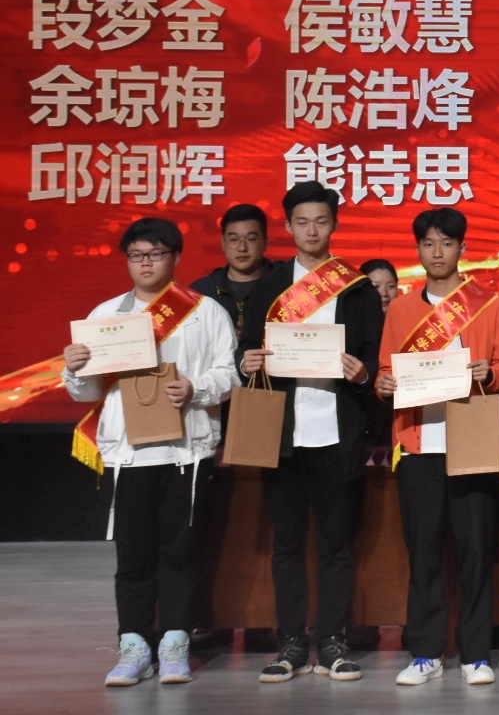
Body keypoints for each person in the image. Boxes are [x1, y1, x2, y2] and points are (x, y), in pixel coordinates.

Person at [61, 217, 236, 687]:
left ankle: (175, 643)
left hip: (186, 452)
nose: (145, 263)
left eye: (155, 254)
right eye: (136, 255)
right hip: (129, 454)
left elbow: (229, 375)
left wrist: (195, 387)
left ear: (175, 257)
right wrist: (75, 369)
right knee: (133, 556)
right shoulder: (106, 316)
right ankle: (134, 645)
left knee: (180, 553)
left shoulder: (204, 312)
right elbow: (87, 392)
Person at [237, 181, 384, 684]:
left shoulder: (356, 288)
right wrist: (246, 361)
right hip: (283, 433)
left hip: (337, 432)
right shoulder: (270, 285)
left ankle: (333, 640)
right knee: (287, 544)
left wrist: (362, 373)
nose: (312, 230)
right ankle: (291, 641)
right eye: (302, 222)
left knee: (336, 543)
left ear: (334, 224)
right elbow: (247, 348)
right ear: (288, 226)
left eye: (321, 221)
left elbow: (374, 354)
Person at [375, 208, 499, 687]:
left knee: (476, 553)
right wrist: (384, 385)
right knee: (424, 553)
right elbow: (385, 372)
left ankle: (476, 654)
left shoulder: (489, 304)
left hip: (472, 441)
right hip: (419, 445)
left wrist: (489, 374)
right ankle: (426, 652)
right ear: (418, 249)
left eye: (447, 243)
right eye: (428, 243)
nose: (437, 252)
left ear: (462, 249)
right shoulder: (401, 309)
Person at [190, 202, 275, 340]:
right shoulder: (201, 292)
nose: (242, 248)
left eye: (251, 239)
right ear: (223, 244)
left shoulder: (285, 284)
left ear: (265, 242)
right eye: (234, 239)